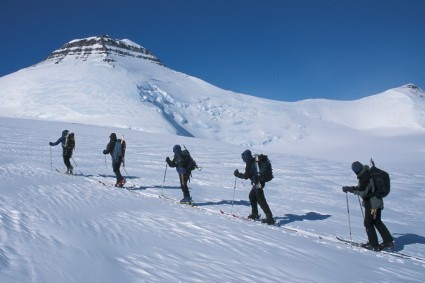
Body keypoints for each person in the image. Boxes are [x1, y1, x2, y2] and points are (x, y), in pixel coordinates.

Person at [342, 161, 394, 251]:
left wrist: (350, 189)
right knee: (377, 221)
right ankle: (388, 241)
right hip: (377, 202)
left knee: (368, 223)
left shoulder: (364, 177)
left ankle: (374, 245)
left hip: (372, 205)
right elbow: (363, 188)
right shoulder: (368, 173)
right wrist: (352, 188)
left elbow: (363, 191)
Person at [234, 149, 275, 225]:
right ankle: (254, 214)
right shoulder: (253, 161)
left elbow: (246, 176)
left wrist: (237, 174)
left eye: (243, 158)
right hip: (259, 182)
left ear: (245, 158)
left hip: (258, 182)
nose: (243, 160)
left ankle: (270, 218)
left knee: (261, 200)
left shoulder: (249, 163)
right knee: (252, 196)